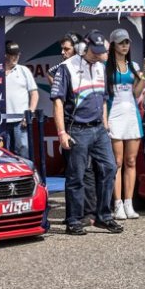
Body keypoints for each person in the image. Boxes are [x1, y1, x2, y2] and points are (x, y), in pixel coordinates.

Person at [50, 29, 122, 236]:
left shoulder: (101, 67)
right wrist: (62, 132)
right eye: (97, 51)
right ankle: (73, 220)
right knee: (76, 177)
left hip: (98, 129)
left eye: (102, 51)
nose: (100, 54)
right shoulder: (66, 68)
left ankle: (104, 216)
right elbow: (57, 102)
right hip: (77, 129)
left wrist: (106, 125)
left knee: (109, 167)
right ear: (84, 48)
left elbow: (105, 98)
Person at [105, 28, 145, 220]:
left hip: (131, 115)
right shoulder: (106, 67)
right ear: (113, 45)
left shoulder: (133, 65)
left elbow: (137, 93)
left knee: (131, 161)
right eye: (121, 42)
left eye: (127, 42)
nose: (125, 46)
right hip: (114, 115)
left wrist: (144, 77)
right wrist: (104, 119)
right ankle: (116, 205)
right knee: (117, 163)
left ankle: (128, 203)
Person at [5, 40, 39, 158]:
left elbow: (34, 93)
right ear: (5, 55)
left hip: (20, 120)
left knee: (23, 151)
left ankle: (25, 176)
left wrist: (29, 113)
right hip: (1, 121)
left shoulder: (24, 70)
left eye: (17, 54)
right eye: (11, 54)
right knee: (4, 154)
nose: (15, 57)